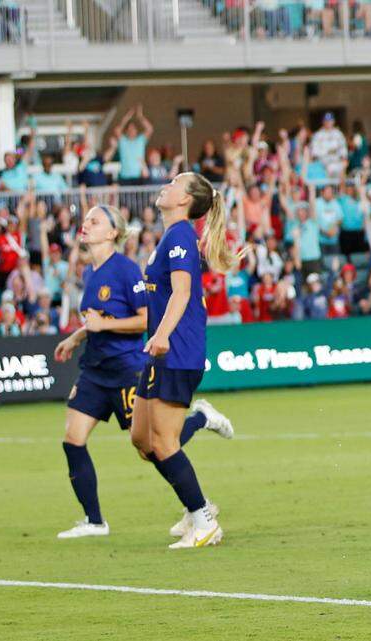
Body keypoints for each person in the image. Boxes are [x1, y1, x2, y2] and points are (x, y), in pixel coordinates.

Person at [51, 204, 232, 540]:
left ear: (113, 233)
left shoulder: (126, 270)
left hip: (125, 369)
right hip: (94, 369)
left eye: (95, 221)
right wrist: (78, 336)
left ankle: (200, 435)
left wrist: (104, 324)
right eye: (86, 219)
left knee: (152, 446)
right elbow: (97, 320)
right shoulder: (89, 272)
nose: (85, 224)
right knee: (72, 440)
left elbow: (144, 319)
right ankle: (94, 521)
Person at [130, 172, 238, 549]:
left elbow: (182, 292)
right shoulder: (170, 235)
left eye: (176, 181)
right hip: (162, 349)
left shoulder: (179, 235)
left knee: (162, 441)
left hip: (177, 349)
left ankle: (203, 520)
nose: (167, 184)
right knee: (143, 440)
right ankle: (202, 421)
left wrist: (160, 335)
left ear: (186, 199)